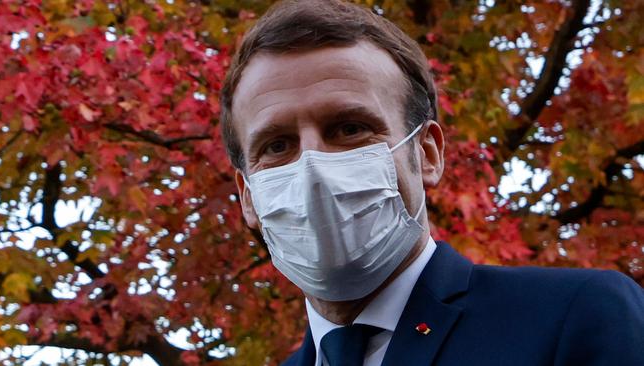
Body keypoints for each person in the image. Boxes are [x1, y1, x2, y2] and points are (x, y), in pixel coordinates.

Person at [219, 0, 644, 365]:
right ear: (247, 197)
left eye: (349, 129)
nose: (313, 168)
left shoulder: (573, 317)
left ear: (427, 153)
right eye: (276, 146)